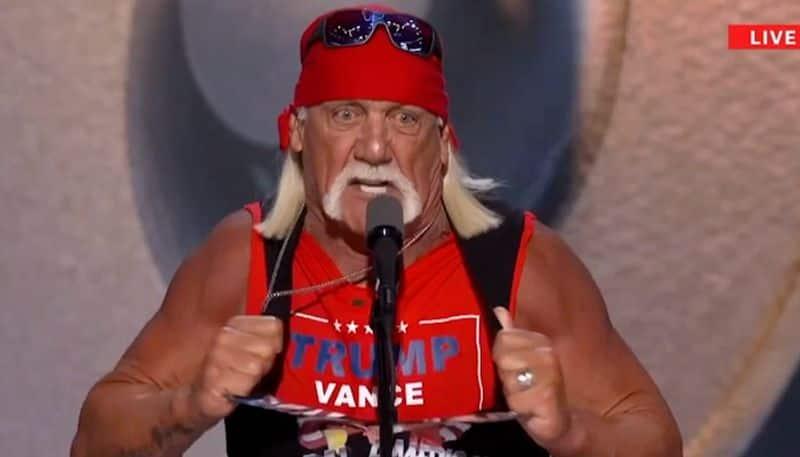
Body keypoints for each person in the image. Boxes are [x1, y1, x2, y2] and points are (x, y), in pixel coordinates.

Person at [71, 4, 682, 457]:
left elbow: (652, 437)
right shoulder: (246, 259)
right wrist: (193, 402)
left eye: (405, 120)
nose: (373, 148)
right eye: (345, 115)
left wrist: (571, 434)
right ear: (299, 135)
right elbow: (96, 440)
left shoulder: (521, 264)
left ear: (443, 145)